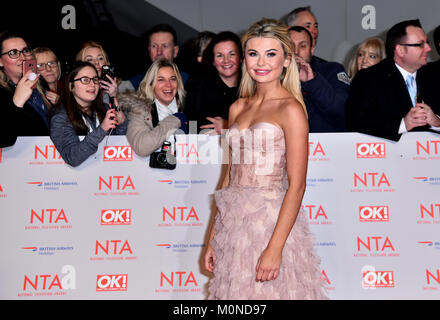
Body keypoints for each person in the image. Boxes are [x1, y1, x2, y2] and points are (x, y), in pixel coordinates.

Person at [204, 18, 327, 300]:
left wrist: (275, 248)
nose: (261, 62)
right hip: (234, 223)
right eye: (253, 53)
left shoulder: (291, 109)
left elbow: (297, 185)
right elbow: (228, 175)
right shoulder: (237, 107)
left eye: (271, 54)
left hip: (270, 221)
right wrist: (214, 236)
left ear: (286, 60)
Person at [346, 19, 440, 141]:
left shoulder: (434, 75)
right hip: (387, 157)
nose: (428, 48)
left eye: (427, 43)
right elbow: (357, 121)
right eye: (420, 44)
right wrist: (403, 124)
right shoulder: (369, 78)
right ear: (400, 50)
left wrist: (436, 122)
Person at [50, 61, 127, 167]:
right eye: (85, 80)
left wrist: (122, 124)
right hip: (77, 180)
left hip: (106, 174)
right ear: (71, 86)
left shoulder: (104, 108)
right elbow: (72, 157)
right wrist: (102, 129)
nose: (92, 85)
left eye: (95, 80)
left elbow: (116, 146)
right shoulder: (61, 117)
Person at [121, 58, 188, 157]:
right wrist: (175, 119)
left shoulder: (189, 107)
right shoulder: (140, 111)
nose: (168, 85)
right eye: (161, 79)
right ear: (151, 83)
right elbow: (141, 147)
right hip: (151, 171)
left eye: (172, 79)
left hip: (187, 170)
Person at [288, 26, 349, 132]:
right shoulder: (272, 77)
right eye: (290, 46)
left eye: (302, 46)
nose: (296, 52)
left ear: (312, 50)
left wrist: (313, 81)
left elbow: (343, 112)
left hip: (327, 145)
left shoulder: (332, 70)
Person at [184, 31, 242, 134]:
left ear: (241, 58)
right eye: (220, 55)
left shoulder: (253, 87)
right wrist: (193, 141)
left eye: (232, 54)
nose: (226, 60)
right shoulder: (198, 86)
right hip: (205, 145)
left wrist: (228, 125)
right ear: (213, 61)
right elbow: (191, 122)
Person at [0, 31, 51, 147]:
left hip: (48, 158)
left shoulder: (41, 83)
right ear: (0, 61)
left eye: (25, 51)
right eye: (13, 53)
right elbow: (4, 140)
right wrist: (17, 103)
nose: (22, 57)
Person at [128, 24, 189, 90]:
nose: (159, 52)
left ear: (175, 51)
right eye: (154, 46)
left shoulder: (189, 83)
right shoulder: (138, 81)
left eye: (165, 46)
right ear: (149, 51)